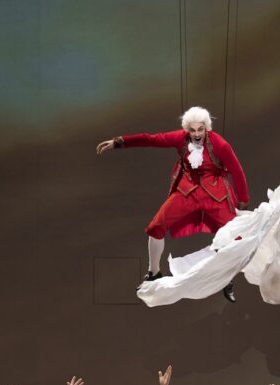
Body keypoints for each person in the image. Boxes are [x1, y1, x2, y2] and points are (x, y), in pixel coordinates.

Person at [96, 107, 249, 301]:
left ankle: (227, 279)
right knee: (156, 226)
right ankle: (154, 272)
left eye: (200, 130)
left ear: (206, 128)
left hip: (215, 194)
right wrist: (119, 142)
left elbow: (237, 170)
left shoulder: (220, 144)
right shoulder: (180, 138)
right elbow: (151, 139)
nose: (196, 134)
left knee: (233, 237)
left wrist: (243, 199)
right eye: (192, 130)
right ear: (187, 129)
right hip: (188, 191)